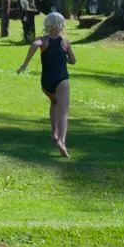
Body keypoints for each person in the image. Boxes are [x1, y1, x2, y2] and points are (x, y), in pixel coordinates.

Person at [17, 12, 77, 157]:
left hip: (46, 82)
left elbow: (34, 44)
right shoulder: (65, 42)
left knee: (54, 102)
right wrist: (64, 59)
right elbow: (73, 60)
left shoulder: (43, 41)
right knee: (63, 111)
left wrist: (25, 64)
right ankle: (61, 141)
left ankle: (54, 133)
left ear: (47, 25)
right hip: (62, 79)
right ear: (61, 25)